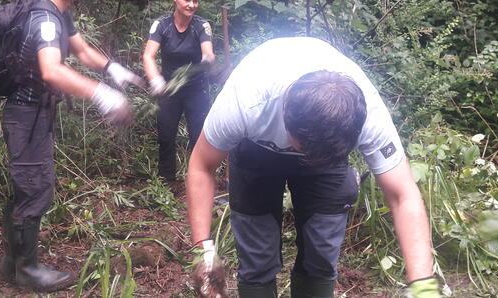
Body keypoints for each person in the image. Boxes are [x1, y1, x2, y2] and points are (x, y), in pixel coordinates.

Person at [186, 37, 442, 298]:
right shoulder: (247, 101)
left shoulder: (365, 115)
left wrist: (423, 286)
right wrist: (203, 251)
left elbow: (403, 194)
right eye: (304, 150)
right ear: (286, 120)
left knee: (321, 250)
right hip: (256, 151)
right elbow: (201, 165)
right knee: (256, 254)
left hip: (328, 160)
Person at [0, 0, 145, 292]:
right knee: (34, 188)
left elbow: (80, 51)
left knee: (28, 186)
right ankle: (26, 271)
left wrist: (113, 69)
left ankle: (12, 264)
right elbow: (52, 70)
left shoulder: (59, 14)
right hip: (26, 112)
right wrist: (102, 94)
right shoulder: (46, 18)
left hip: (34, 113)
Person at [142, 0, 215, 182]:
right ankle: (166, 181)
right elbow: (148, 55)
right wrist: (156, 80)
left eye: (195, 1)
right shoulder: (161, 25)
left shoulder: (202, 25)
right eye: (187, 0)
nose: (192, 5)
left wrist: (208, 60)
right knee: (165, 136)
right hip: (169, 90)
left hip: (195, 89)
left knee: (198, 137)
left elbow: (208, 51)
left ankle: (199, 178)